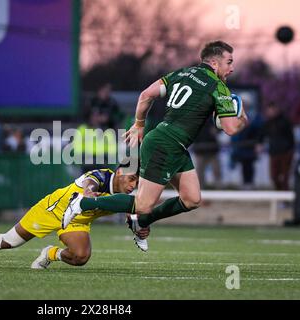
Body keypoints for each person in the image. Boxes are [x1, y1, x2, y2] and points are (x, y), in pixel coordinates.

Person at [62, 41, 249, 247]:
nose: (232, 68)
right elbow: (231, 128)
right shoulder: (218, 86)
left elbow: (146, 95)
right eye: (229, 62)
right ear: (214, 63)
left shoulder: (181, 73)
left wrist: (139, 124)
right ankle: (82, 203)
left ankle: (140, 222)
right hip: (166, 143)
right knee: (142, 204)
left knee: (192, 199)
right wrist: (242, 117)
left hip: (171, 142)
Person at [0, 163, 148, 269]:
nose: (132, 185)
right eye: (131, 179)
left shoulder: (124, 196)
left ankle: (50, 254)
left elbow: (132, 214)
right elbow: (90, 182)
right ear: (120, 172)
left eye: (136, 182)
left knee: (81, 257)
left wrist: (140, 226)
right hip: (52, 211)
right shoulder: (102, 176)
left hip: (77, 221)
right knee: (9, 242)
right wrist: (87, 193)